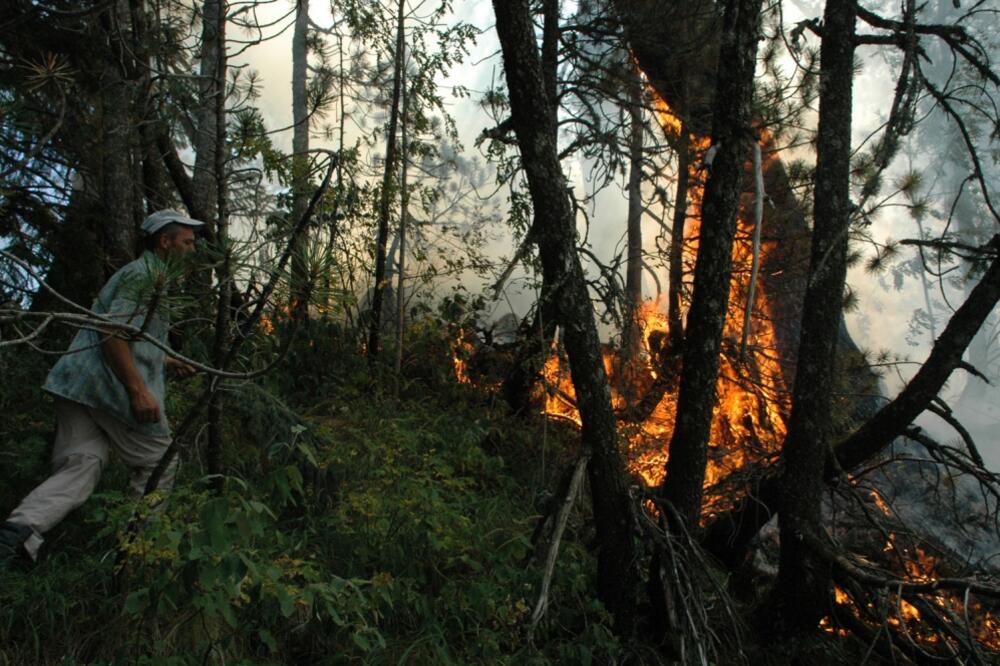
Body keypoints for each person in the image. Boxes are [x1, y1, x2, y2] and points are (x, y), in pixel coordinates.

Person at [0, 209, 203, 564]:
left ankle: (18, 534)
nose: (193, 249)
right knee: (159, 460)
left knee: (83, 463)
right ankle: (137, 555)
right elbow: (110, 333)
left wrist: (165, 361)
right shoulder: (144, 276)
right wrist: (139, 390)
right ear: (165, 241)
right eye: (187, 242)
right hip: (105, 387)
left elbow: (127, 335)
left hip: (76, 384)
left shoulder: (150, 277)